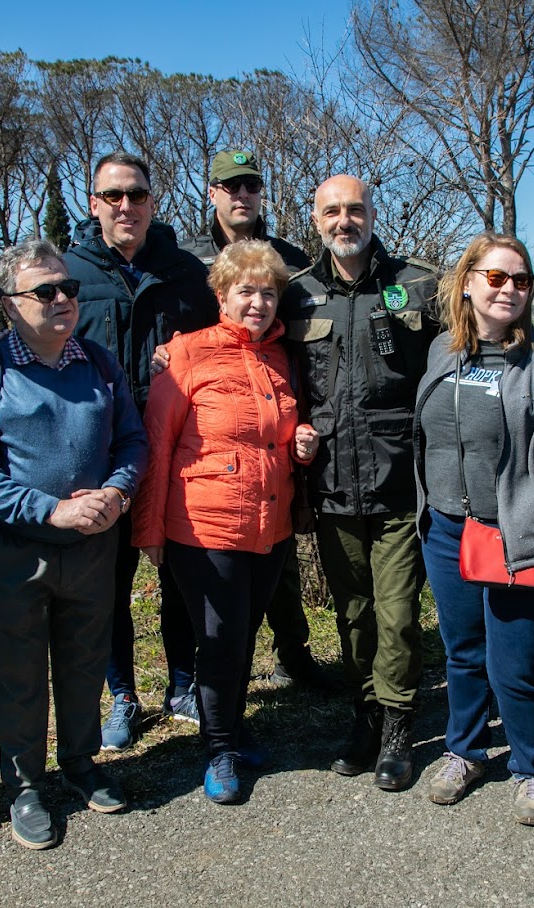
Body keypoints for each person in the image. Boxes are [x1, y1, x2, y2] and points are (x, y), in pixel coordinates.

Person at [0, 238, 146, 849]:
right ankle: (25, 785)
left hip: (93, 547)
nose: (63, 300)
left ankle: (82, 762)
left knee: (85, 659)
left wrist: (115, 493)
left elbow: (132, 442)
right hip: (16, 552)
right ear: (11, 303)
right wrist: (53, 511)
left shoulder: (99, 362)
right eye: (45, 291)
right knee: (17, 672)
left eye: (68, 289)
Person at [414, 233, 534, 826]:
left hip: (518, 536)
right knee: (462, 653)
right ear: (467, 283)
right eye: (495, 278)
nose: (509, 290)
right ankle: (464, 751)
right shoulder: (444, 352)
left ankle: (532, 768)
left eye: (520, 280)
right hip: (446, 528)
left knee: (515, 663)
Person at [133, 240, 318, 804]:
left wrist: (301, 442)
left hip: (270, 523)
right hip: (204, 527)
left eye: (268, 292)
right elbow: (158, 443)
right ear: (221, 295)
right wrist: (149, 531)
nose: (258, 303)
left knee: (242, 634)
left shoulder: (282, 357)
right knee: (218, 641)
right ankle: (218, 750)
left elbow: (278, 433)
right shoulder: (187, 353)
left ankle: (232, 729)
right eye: (246, 292)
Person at [279, 175, 440, 791]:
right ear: (316, 219)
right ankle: (366, 714)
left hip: (401, 483)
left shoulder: (418, 285)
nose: (344, 220)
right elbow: (276, 375)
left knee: (397, 613)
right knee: (353, 613)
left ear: (373, 214)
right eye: (332, 211)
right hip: (330, 486)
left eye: (355, 209)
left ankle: (399, 725)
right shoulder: (298, 295)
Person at [63, 152, 216, 748]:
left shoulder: (185, 273)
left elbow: (216, 348)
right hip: (97, 457)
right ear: (94, 203)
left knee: (179, 575)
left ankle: (182, 683)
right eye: (113, 195)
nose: (126, 206)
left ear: (153, 202)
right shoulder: (69, 272)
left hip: (177, 450)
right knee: (108, 586)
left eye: (138, 195)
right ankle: (122, 694)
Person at [180, 148, 333, 692]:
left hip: (277, 409)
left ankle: (294, 653)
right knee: (201, 564)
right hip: (208, 423)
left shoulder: (290, 258)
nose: (241, 195)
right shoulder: (186, 257)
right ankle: (193, 680)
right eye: (230, 186)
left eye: (251, 185)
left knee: (278, 550)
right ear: (213, 193)